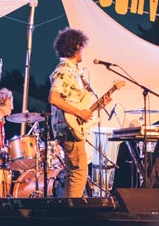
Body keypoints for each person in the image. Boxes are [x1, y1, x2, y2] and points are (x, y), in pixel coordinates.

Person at [47, 27, 122, 197]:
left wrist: (98, 105)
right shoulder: (65, 70)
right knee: (79, 174)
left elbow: (76, 103)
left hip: (71, 128)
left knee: (75, 173)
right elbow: (54, 97)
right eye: (81, 47)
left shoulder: (72, 71)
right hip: (69, 130)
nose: (83, 52)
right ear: (76, 48)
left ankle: (68, 210)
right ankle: (70, 214)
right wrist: (80, 113)